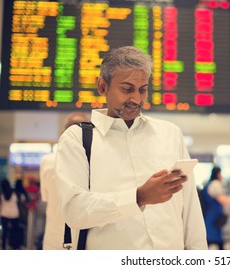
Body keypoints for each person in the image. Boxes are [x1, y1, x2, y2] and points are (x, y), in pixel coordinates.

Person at [55, 46, 207, 250]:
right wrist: (139, 197)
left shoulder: (169, 133)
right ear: (102, 86)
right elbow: (75, 210)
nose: (136, 99)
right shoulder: (77, 139)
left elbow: (190, 212)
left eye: (142, 89)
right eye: (127, 89)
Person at [40, 112, 90, 250]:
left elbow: (46, 197)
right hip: (81, 239)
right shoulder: (95, 164)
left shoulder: (47, 161)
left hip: (54, 237)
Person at [202, 166, 230, 250]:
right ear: (217, 174)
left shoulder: (208, 184)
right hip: (213, 217)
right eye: (220, 173)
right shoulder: (215, 184)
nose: (221, 176)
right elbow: (222, 199)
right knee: (213, 240)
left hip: (210, 216)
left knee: (211, 241)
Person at [1, 179, 21, 249]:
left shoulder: (2, 193)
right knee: (14, 231)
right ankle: (14, 246)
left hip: (4, 213)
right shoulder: (15, 192)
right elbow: (20, 200)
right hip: (14, 214)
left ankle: (4, 247)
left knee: (4, 232)